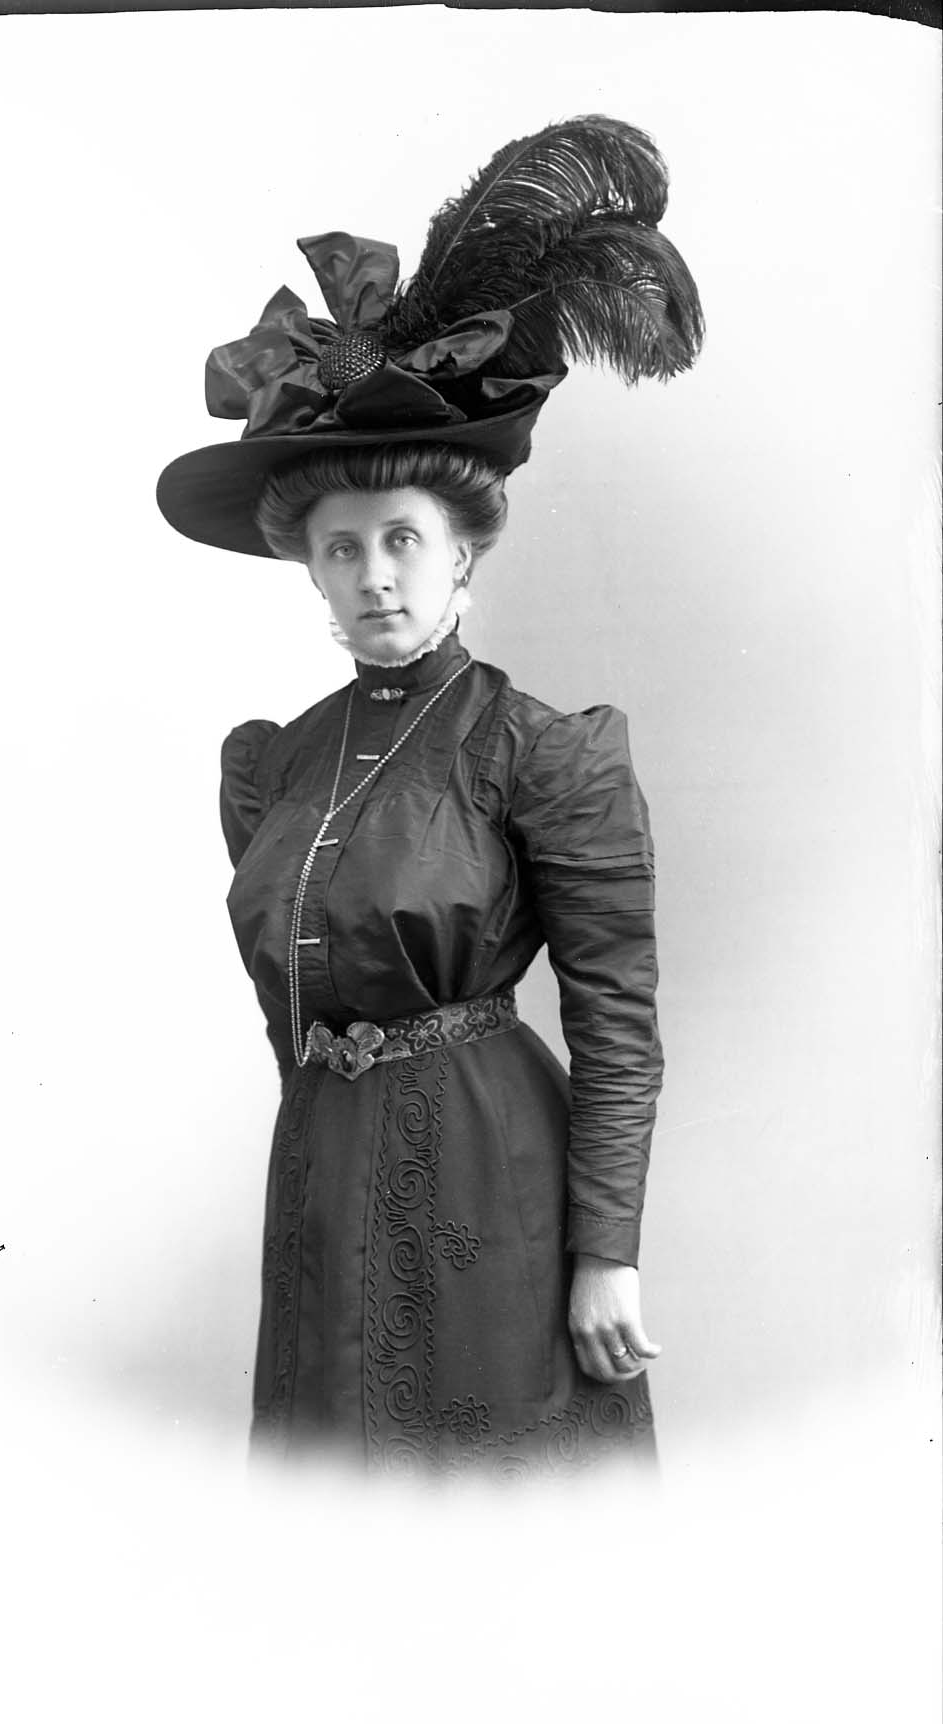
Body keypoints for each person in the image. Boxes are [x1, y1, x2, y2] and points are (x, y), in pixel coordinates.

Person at [156, 117, 703, 1480]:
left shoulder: (539, 751)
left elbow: (617, 1022)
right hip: (320, 1182)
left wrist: (608, 1252)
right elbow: (291, 1002)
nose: (375, 577)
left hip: (489, 1189)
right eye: (341, 549)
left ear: (463, 554)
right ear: (312, 570)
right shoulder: (276, 765)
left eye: (404, 538)